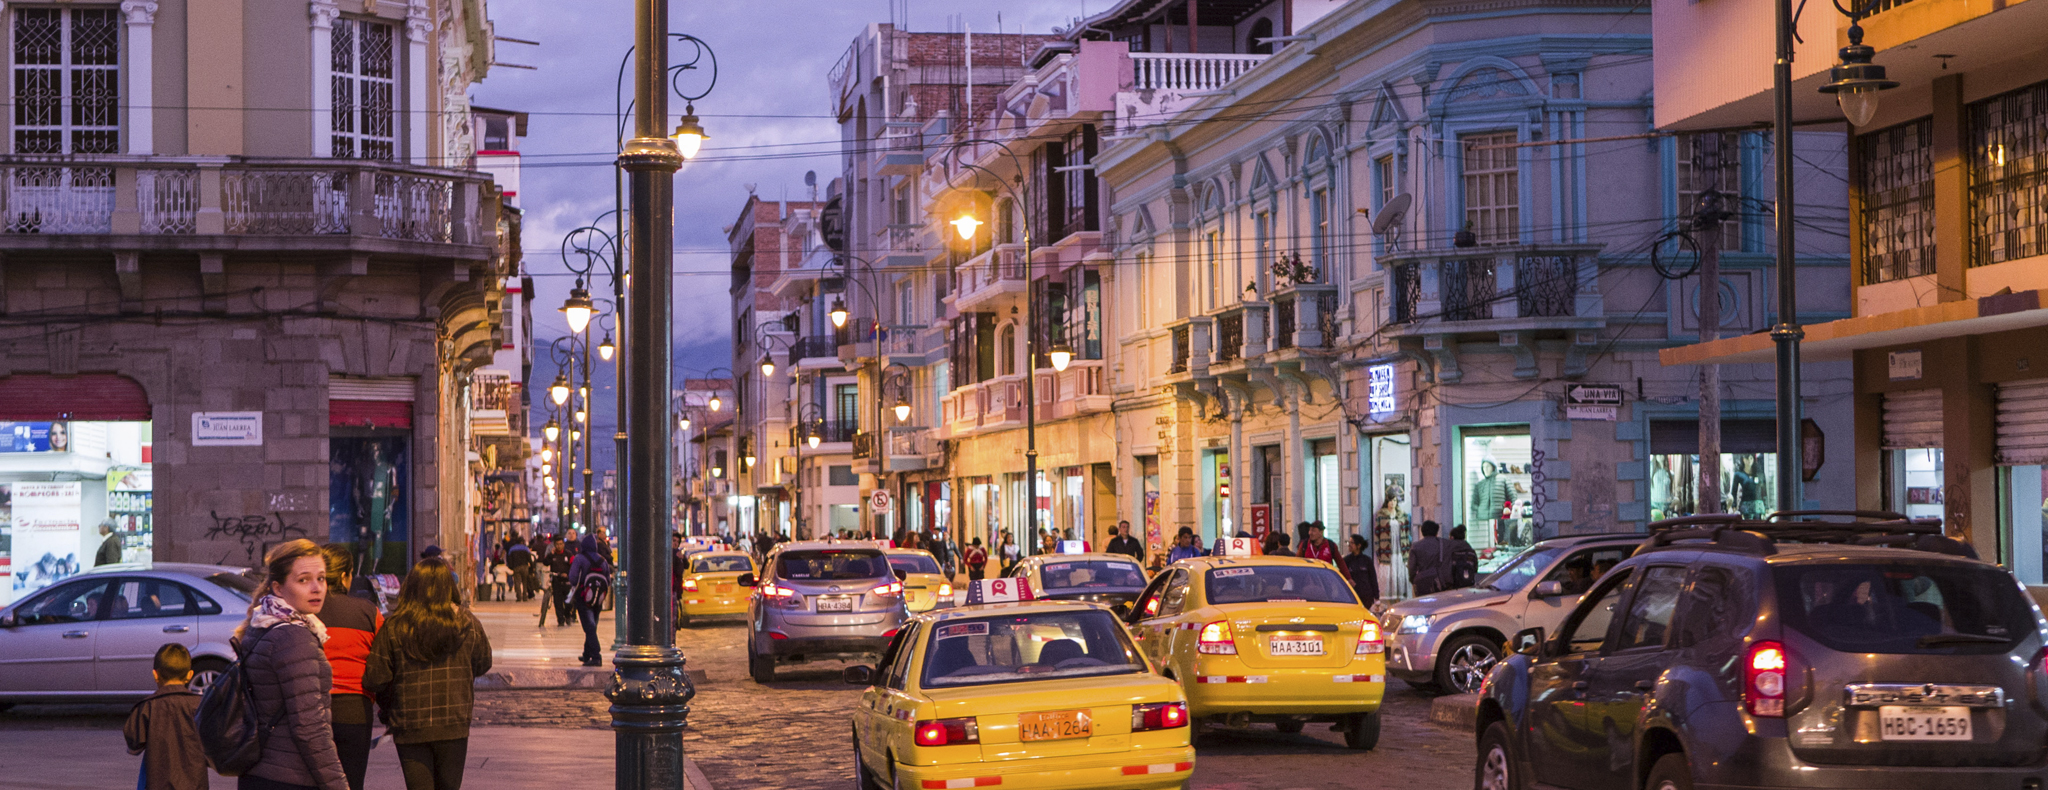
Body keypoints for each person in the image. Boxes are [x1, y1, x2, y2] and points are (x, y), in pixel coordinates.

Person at [363, 557, 492, 790]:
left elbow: (375, 678)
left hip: (409, 723)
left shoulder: (395, 626)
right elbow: (483, 663)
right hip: (453, 721)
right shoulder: (467, 622)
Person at [234, 538, 349, 790]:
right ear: (278, 587)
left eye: (321, 578)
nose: (317, 588)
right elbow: (309, 726)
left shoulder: (263, 623)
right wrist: (338, 785)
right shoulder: (293, 636)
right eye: (303, 580)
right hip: (289, 777)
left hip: (260, 772)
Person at [317, 544, 382, 790]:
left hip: (313, 710)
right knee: (352, 782)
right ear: (345, 575)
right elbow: (383, 664)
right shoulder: (368, 612)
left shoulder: (306, 612)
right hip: (356, 711)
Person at [124, 643, 206, 790]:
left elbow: (134, 742)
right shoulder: (200, 706)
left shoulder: (147, 707)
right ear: (189, 675)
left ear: (155, 675)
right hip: (195, 784)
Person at [568, 534, 612, 667]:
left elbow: (573, 578)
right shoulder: (602, 560)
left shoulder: (580, 558)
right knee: (592, 625)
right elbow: (608, 581)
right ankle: (587, 654)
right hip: (598, 598)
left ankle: (596, 656)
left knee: (589, 627)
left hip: (583, 596)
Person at [1407, 520, 1457, 596]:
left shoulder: (1415, 546)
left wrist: (1415, 581)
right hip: (1442, 584)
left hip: (1424, 584)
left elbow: (1411, 568)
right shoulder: (1446, 544)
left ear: (1422, 532)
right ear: (1436, 532)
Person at [545, 531, 577, 627]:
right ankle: (560, 620)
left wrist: (569, 574)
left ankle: (567, 615)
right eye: (557, 544)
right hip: (556, 582)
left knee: (569, 602)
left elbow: (574, 565)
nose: (559, 546)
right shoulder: (552, 555)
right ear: (554, 545)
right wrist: (551, 554)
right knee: (558, 602)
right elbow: (545, 562)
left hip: (567, 582)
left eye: (561, 544)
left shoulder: (568, 554)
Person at [1343, 534, 1381, 609]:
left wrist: (1376, 596)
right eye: (1348, 542)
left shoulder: (1367, 560)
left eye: (1352, 543)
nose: (1349, 545)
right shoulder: (1346, 560)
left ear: (1359, 545)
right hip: (1351, 595)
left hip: (1366, 596)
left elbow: (1373, 578)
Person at [1448, 525, 1480, 590]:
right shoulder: (1470, 551)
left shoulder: (1449, 552)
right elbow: (1475, 568)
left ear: (1452, 537)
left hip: (1452, 586)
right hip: (1468, 584)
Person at [504, 536, 534, 601]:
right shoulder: (525, 548)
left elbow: (509, 559)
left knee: (517, 582)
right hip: (525, 567)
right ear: (522, 542)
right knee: (525, 582)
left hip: (516, 567)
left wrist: (511, 567)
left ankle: (519, 597)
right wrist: (532, 567)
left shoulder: (512, 549)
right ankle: (525, 597)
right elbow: (529, 558)